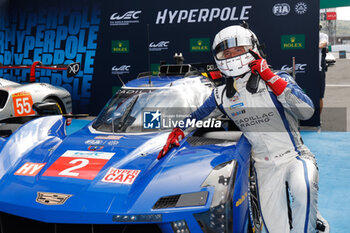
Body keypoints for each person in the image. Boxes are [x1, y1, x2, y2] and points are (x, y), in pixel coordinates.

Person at [158, 24, 329, 233]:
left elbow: (307, 111)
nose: (232, 55)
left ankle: (311, 221)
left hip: (295, 156)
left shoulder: (277, 78)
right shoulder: (220, 94)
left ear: (252, 48)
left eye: (238, 49)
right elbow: (196, 117)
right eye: (226, 52)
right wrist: (178, 131)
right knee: (276, 228)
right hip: (263, 167)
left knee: (303, 189)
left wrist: (270, 77)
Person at [319, 24, 329, 116]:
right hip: (306, 68)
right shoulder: (305, 35)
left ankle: (318, 118)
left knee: (319, 96)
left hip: (319, 69)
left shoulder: (322, 35)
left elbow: (323, 44)